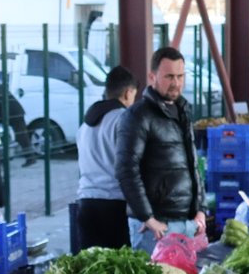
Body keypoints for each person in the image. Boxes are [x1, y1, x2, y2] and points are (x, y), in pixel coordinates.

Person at [117, 47, 207, 241]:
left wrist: (200, 209)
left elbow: (193, 164)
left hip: (188, 222)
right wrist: (147, 218)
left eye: (180, 76)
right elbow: (126, 169)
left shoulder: (183, 111)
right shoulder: (136, 116)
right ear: (152, 77)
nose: (176, 83)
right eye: (169, 77)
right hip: (156, 227)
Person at [71, 66, 139, 252]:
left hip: (85, 205)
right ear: (128, 93)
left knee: (91, 272)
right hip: (114, 208)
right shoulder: (124, 119)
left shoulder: (84, 126)